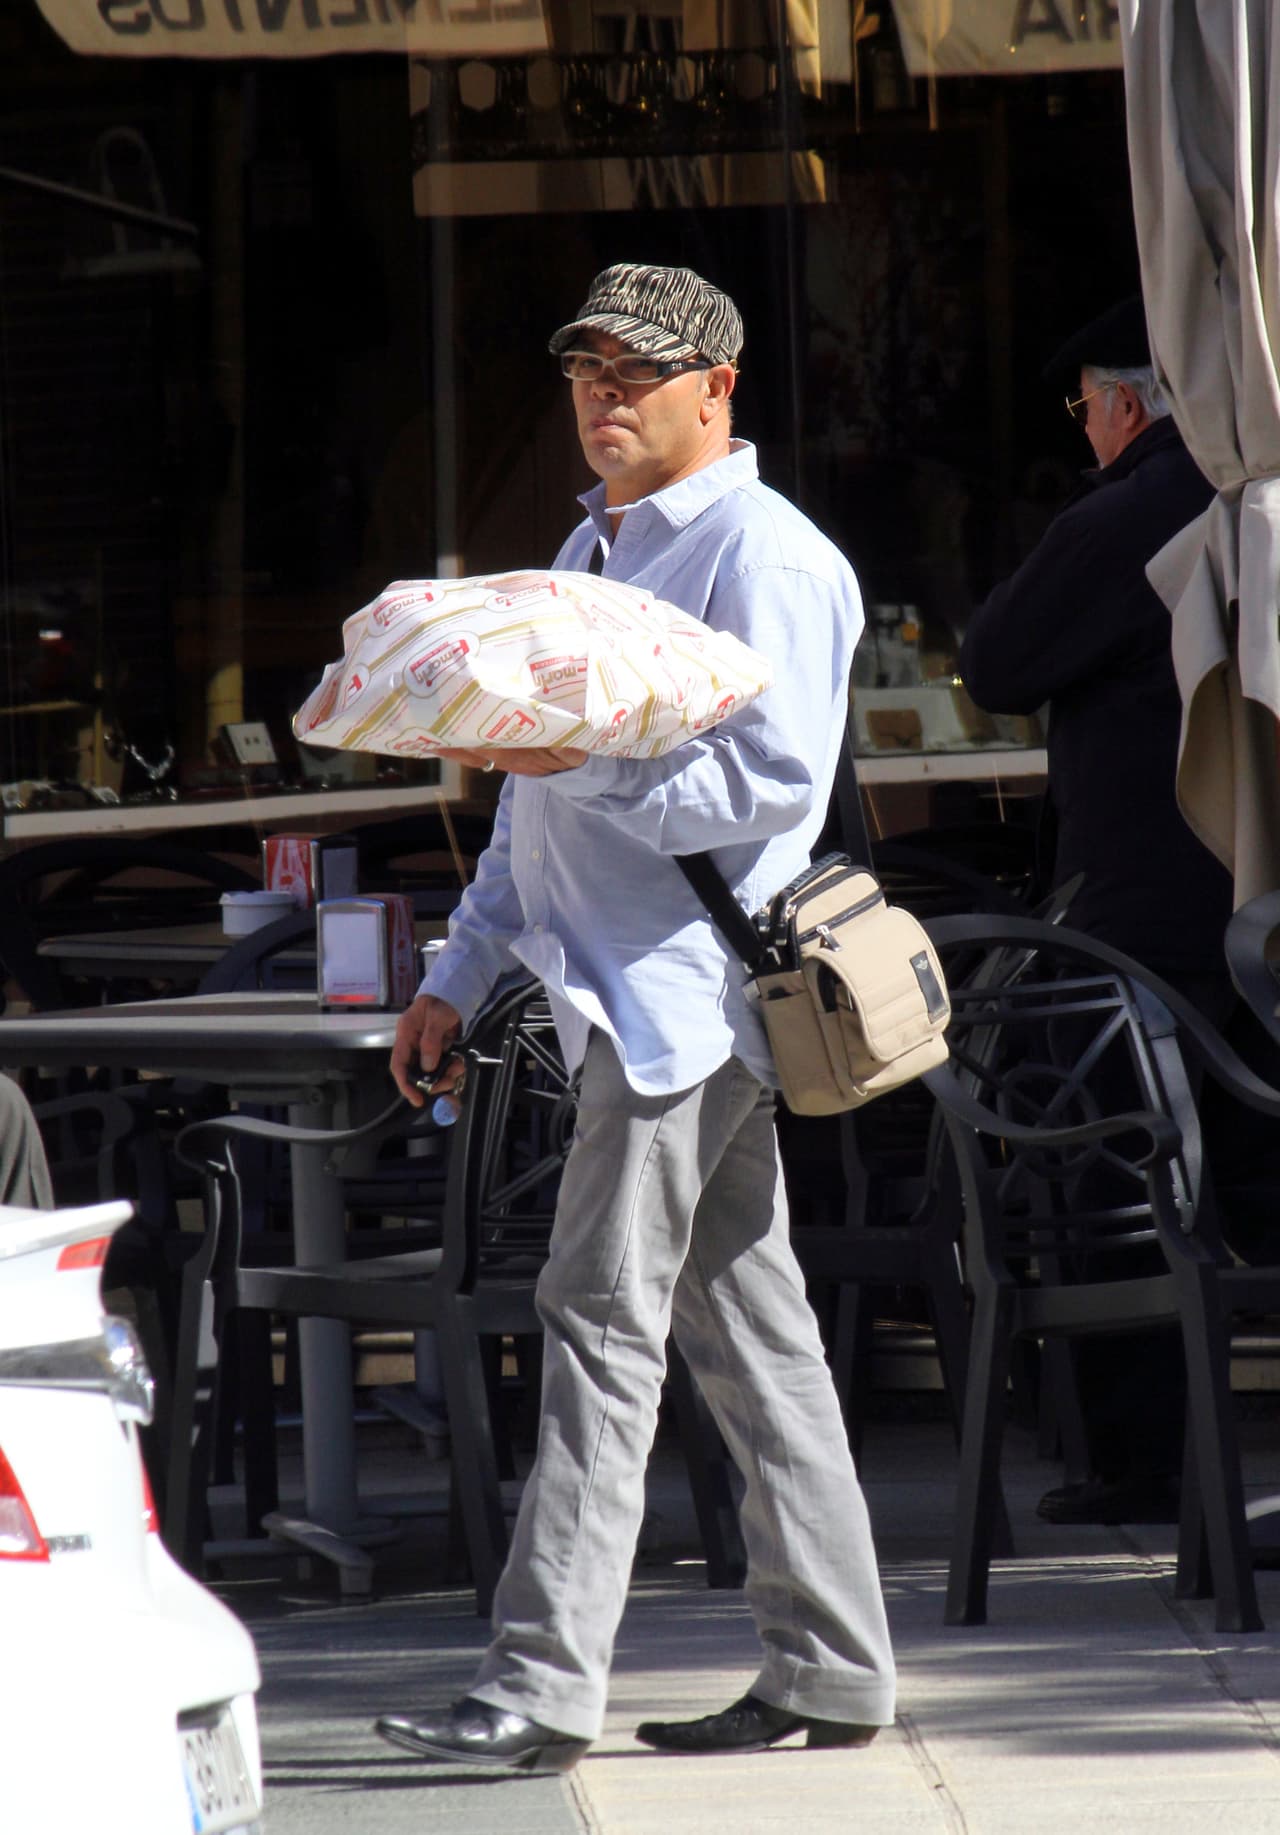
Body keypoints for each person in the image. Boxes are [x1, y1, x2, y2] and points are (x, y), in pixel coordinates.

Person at [374, 262, 896, 1772]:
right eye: (584, 368)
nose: (602, 394)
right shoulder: (588, 543)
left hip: (683, 1004)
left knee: (597, 1323)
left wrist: (581, 757)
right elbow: (530, 801)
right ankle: (834, 1666)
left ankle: (540, 1684)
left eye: (636, 370)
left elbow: (772, 786)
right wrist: (461, 968)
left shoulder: (766, 553)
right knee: (755, 1340)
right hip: (617, 994)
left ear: (716, 387)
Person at [959, 295, 1234, 1528]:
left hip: (1138, 915)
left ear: (1122, 401)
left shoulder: (1127, 509)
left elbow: (997, 663)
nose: (1082, 431)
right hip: (1246, 905)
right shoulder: (1245, 500)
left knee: (1119, 1172)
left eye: (1081, 409)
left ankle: (1140, 1457)